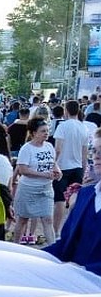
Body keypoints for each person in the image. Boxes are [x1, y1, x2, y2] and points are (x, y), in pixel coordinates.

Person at [44, 147, 101, 272]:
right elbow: (65, 245)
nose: (96, 156)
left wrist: (84, 270)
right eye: (95, 151)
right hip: (72, 283)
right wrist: (30, 257)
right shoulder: (85, 195)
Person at [13, 117, 60, 245]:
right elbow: (23, 170)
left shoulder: (49, 146)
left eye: (47, 130)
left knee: (48, 219)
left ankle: (52, 249)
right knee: (22, 220)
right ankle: (15, 245)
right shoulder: (26, 149)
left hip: (45, 189)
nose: (46, 133)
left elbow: (53, 162)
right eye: (43, 131)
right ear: (34, 133)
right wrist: (43, 174)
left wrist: (57, 171)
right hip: (28, 189)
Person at [53, 99, 91, 234]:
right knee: (74, 200)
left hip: (62, 166)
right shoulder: (84, 127)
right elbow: (84, 152)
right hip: (78, 167)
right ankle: (71, 229)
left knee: (60, 200)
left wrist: (53, 163)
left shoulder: (62, 126)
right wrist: (84, 169)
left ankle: (56, 231)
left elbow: (58, 148)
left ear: (66, 111)